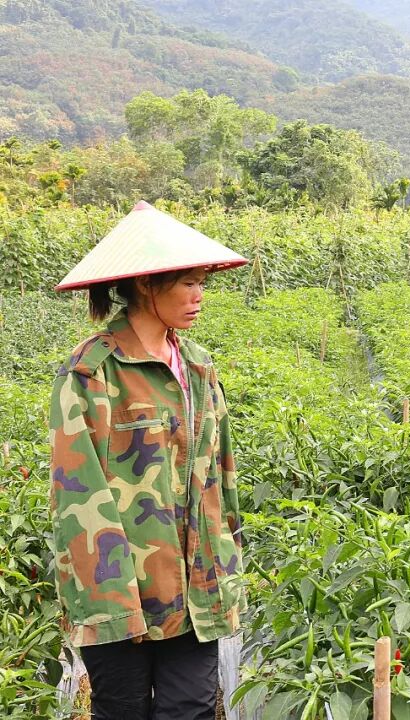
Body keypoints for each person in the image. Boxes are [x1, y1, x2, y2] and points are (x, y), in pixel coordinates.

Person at [49, 201, 248, 719]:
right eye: (188, 283)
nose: (199, 295)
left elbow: (220, 476)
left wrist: (228, 561)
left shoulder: (198, 365)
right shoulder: (94, 371)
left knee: (192, 707)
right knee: (123, 709)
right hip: (122, 589)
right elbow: (77, 490)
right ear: (144, 285)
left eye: (202, 282)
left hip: (196, 587)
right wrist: (112, 604)